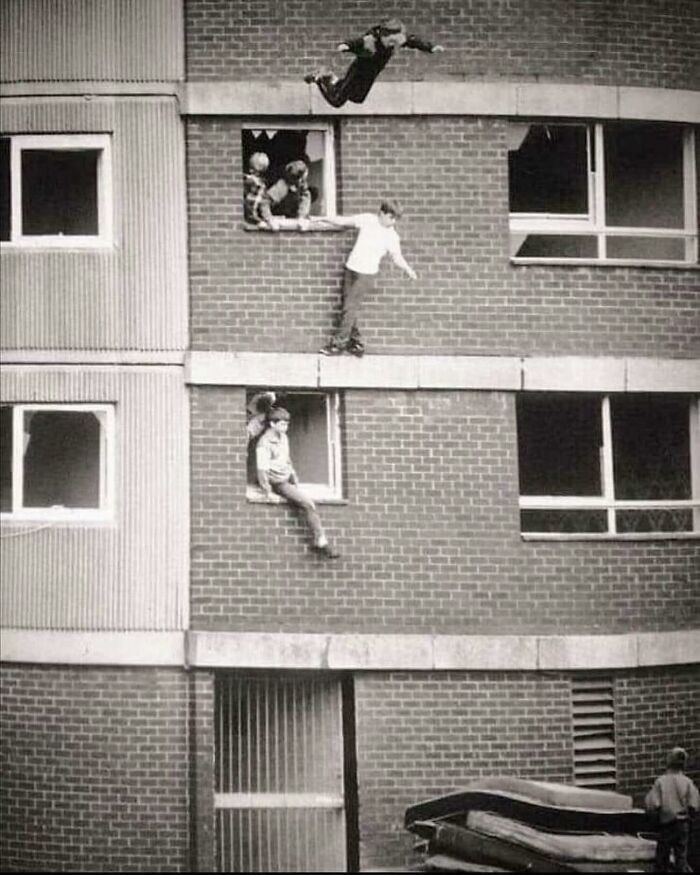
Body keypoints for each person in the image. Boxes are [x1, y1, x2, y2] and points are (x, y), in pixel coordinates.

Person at [317, 200, 417, 356]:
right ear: (382, 213)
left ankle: (338, 344)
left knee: (349, 307)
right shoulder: (368, 219)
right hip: (351, 269)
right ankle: (356, 342)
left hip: (366, 275)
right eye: (391, 217)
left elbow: (397, 257)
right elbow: (343, 221)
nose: (393, 221)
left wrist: (408, 269)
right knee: (349, 307)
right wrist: (321, 219)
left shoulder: (392, 236)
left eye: (395, 218)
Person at [256, 407, 340, 559]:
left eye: (287, 424)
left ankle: (319, 540)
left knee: (307, 499)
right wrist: (268, 492)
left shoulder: (284, 438)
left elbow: (287, 459)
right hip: (278, 482)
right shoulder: (264, 443)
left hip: (287, 478)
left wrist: (294, 476)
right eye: (282, 424)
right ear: (272, 424)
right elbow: (262, 470)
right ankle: (320, 541)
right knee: (308, 504)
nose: (285, 427)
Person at [304, 18, 444, 108]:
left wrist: (430, 48)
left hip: (371, 74)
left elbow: (413, 41)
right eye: (390, 42)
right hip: (358, 72)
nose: (392, 45)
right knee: (337, 102)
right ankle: (319, 79)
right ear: (383, 36)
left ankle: (332, 79)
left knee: (358, 99)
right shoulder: (370, 40)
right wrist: (345, 46)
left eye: (395, 42)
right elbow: (357, 42)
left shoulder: (398, 39)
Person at [645, 747, 699, 873]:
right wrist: (689, 818)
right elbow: (694, 804)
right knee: (681, 857)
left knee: (662, 857)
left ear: (668, 762)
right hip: (682, 825)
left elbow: (653, 804)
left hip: (666, 825)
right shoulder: (687, 782)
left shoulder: (661, 782)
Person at [267, 160, 312, 229]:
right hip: (279, 222)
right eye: (297, 179)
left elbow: (304, 201)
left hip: (294, 223)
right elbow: (265, 202)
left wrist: (302, 217)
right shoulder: (281, 186)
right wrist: (269, 218)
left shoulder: (303, 188)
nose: (301, 182)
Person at [242, 152, 279, 230]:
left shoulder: (246, 180)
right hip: (250, 223)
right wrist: (259, 221)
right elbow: (251, 206)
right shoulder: (256, 184)